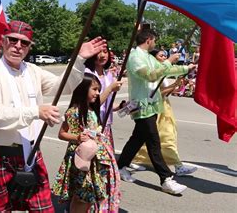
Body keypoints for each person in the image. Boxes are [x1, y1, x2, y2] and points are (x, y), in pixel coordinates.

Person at [0, 20, 107, 212]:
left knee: (43, 209)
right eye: (13, 40)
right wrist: (36, 111)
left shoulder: (32, 71)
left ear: (29, 47)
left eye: (24, 43)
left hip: (32, 155)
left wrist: (78, 59)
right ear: (3, 41)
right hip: (1, 156)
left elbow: (63, 87)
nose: (18, 46)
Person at [117, 28, 196, 195]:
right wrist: (169, 61)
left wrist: (186, 68)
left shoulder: (147, 56)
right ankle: (166, 179)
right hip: (142, 106)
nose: (155, 43)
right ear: (148, 40)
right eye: (154, 40)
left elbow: (163, 71)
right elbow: (150, 75)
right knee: (154, 142)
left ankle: (120, 167)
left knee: (137, 139)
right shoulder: (135, 56)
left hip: (151, 105)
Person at [52, 73, 120, 212]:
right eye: (94, 89)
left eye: (98, 90)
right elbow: (62, 134)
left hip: (95, 159)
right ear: (82, 90)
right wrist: (77, 137)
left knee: (91, 194)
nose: (97, 93)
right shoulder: (74, 111)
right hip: (82, 159)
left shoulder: (92, 109)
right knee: (82, 194)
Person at [132, 49, 197, 175]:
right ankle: (177, 166)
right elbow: (157, 94)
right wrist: (174, 86)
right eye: (161, 56)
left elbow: (166, 92)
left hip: (165, 106)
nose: (164, 58)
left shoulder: (161, 73)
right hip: (156, 108)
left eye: (165, 56)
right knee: (167, 137)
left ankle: (135, 158)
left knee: (151, 137)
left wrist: (177, 85)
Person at [84, 41, 123, 147]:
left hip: (106, 125)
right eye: (98, 52)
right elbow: (93, 104)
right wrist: (110, 89)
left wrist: (121, 106)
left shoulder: (108, 75)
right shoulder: (87, 74)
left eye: (105, 52)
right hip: (91, 125)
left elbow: (107, 105)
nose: (102, 55)